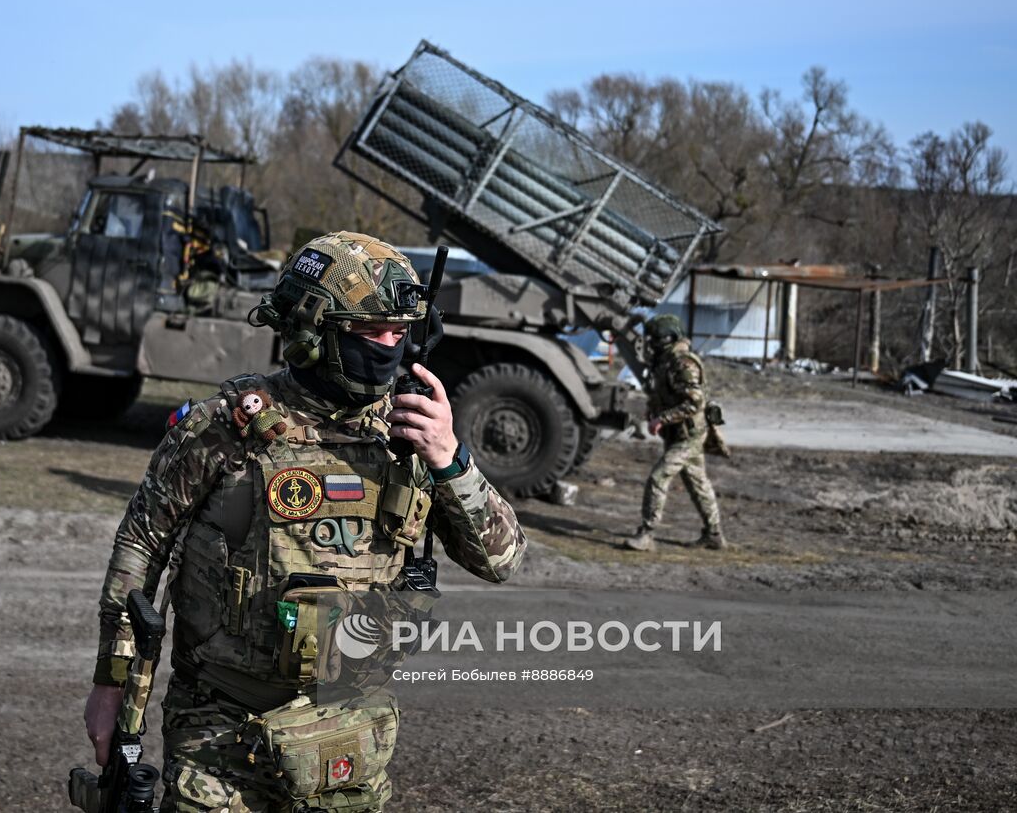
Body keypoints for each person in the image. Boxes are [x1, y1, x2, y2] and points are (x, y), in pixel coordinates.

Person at [84, 231, 527, 812]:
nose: (389, 347)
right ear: (311, 333)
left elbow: (501, 560)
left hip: (348, 734)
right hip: (221, 730)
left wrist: (449, 458)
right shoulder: (226, 427)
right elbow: (142, 544)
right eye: (371, 331)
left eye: (399, 333)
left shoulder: (411, 432)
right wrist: (111, 683)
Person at [624, 314, 726, 552]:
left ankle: (647, 533)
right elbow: (659, 392)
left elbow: (695, 402)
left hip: (689, 435)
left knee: (658, 478)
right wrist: (652, 410)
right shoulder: (664, 361)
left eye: (655, 339)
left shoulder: (683, 363)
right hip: (678, 434)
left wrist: (662, 419)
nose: (650, 344)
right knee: (697, 483)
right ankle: (714, 534)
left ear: (668, 338)